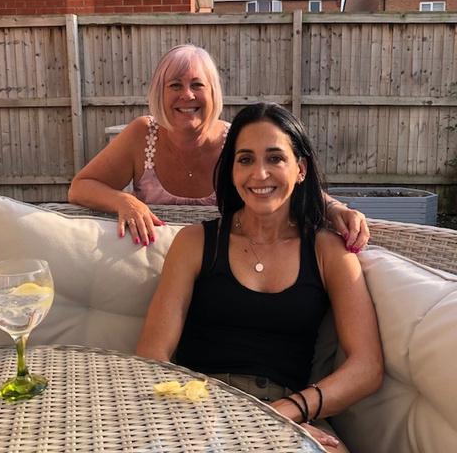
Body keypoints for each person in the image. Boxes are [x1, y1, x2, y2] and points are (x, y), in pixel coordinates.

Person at [136, 102, 383, 452]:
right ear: (232, 170)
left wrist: (285, 413)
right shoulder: (194, 242)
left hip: (289, 413)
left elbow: (367, 367)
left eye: (275, 158)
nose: (259, 174)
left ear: (300, 169)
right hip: (198, 410)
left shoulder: (328, 251)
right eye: (245, 159)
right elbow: (152, 355)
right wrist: (231, 419)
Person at [68, 44, 369, 252]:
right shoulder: (141, 133)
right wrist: (124, 201)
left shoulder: (236, 139)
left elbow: (285, 181)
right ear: (159, 93)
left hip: (221, 265)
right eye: (175, 85)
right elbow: (80, 187)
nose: (187, 95)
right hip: (150, 262)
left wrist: (335, 208)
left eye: (197, 85)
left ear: (213, 93)